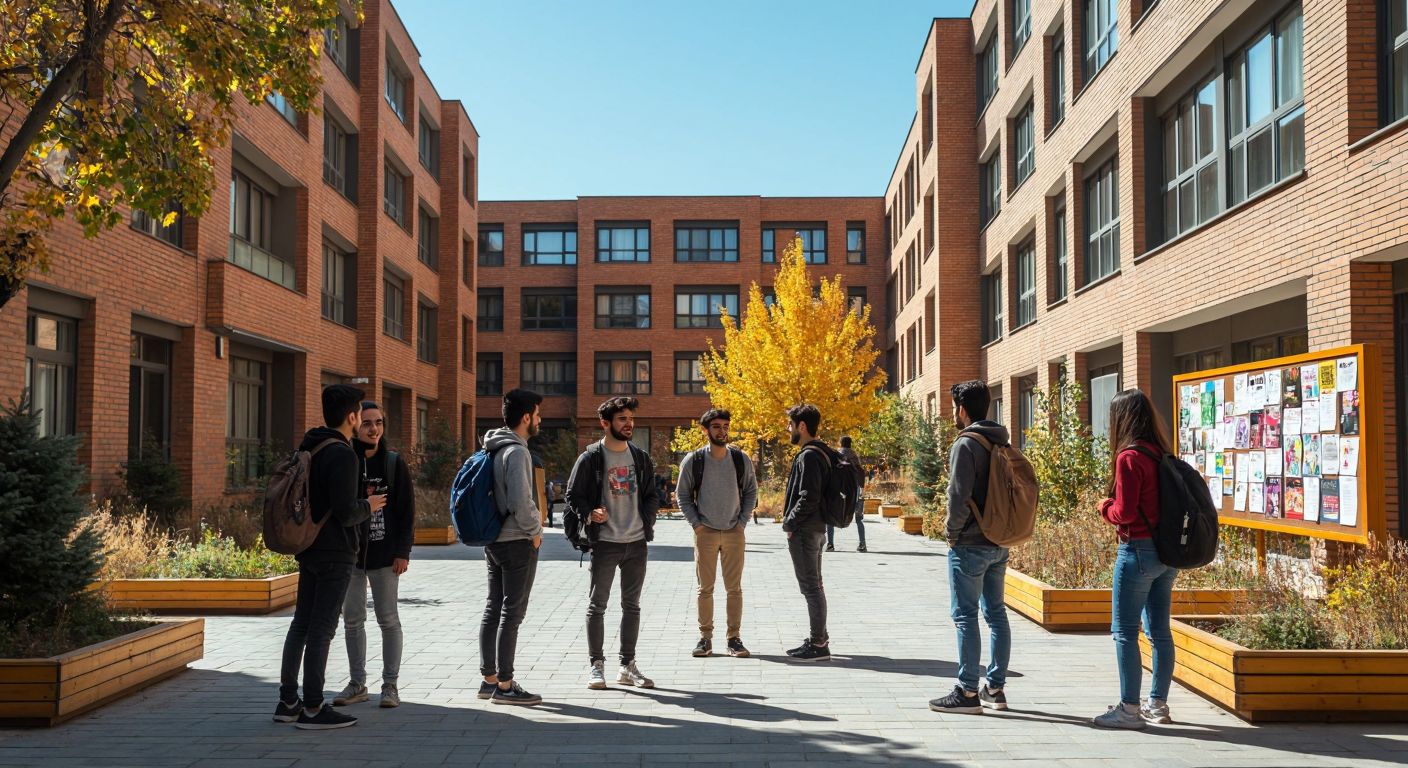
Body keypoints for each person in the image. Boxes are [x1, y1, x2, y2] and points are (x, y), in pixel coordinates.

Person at [275, 384, 383, 730]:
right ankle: (313, 707)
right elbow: (346, 511)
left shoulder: (312, 445)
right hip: (335, 551)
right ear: (352, 416)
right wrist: (371, 505)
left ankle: (288, 701)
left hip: (308, 547)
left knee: (302, 625)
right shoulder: (342, 454)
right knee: (322, 628)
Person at [1093, 389, 1177, 729]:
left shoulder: (1129, 458)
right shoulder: (1161, 453)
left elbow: (1124, 513)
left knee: (1125, 631)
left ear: (1120, 420)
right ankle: (1158, 704)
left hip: (1138, 551)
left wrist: (1103, 507)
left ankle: (1129, 709)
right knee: (1159, 631)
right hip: (1167, 554)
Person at [565, 396, 661, 690]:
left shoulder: (641, 457)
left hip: (636, 542)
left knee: (632, 606)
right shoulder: (591, 457)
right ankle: (596, 665)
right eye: (622, 419)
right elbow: (573, 495)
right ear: (605, 423)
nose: (629, 424)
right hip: (605, 542)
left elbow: (651, 495)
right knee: (598, 605)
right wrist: (589, 512)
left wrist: (647, 520)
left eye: (631, 418)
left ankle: (627, 666)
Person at [929, 380, 1011, 715]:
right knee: (996, 614)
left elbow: (958, 495)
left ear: (962, 409)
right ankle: (995, 688)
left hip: (970, 543)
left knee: (965, 616)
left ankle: (966, 692)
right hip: (999, 540)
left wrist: (950, 533)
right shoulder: (999, 440)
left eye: (953, 407)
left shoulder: (966, 444)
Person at [332, 401, 415, 710]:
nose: (374, 428)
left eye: (378, 422)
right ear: (356, 425)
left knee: (388, 619)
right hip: (350, 556)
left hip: (385, 555)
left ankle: (390, 685)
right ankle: (357, 683)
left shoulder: (394, 463)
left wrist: (402, 552)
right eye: (367, 422)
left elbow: (407, 513)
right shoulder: (345, 461)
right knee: (352, 621)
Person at [478, 388, 546, 706]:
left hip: (494, 540)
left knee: (494, 608)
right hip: (517, 540)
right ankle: (505, 687)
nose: (540, 420)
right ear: (526, 417)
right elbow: (521, 500)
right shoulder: (517, 452)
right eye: (537, 414)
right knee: (512, 613)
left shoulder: (494, 447)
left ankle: (489, 679)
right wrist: (536, 531)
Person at [677, 408, 758, 659]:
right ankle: (705, 638)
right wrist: (697, 525)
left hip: (734, 531)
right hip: (706, 532)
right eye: (716, 427)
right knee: (706, 589)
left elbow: (751, 491)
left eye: (725, 426)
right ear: (705, 430)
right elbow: (682, 495)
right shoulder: (694, 460)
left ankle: (734, 639)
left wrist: (742, 522)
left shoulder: (740, 458)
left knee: (734, 588)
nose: (722, 431)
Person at [781, 403, 833, 662]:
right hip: (816, 528)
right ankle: (818, 637)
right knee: (815, 585)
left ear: (802, 426)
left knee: (811, 587)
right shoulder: (821, 452)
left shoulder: (809, 455)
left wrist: (790, 523)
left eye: (790, 424)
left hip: (805, 530)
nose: (787, 428)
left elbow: (808, 496)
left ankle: (818, 643)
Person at [825, 435, 867, 553]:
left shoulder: (836, 455)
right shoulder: (854, 456)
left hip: (836, 490)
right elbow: (861, 472)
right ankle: (862, 544)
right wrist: (862, 489)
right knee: (858, 518)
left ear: (840, 443)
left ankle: (830, 544)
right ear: (850, 444)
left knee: (830, 516)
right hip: (854, 490)